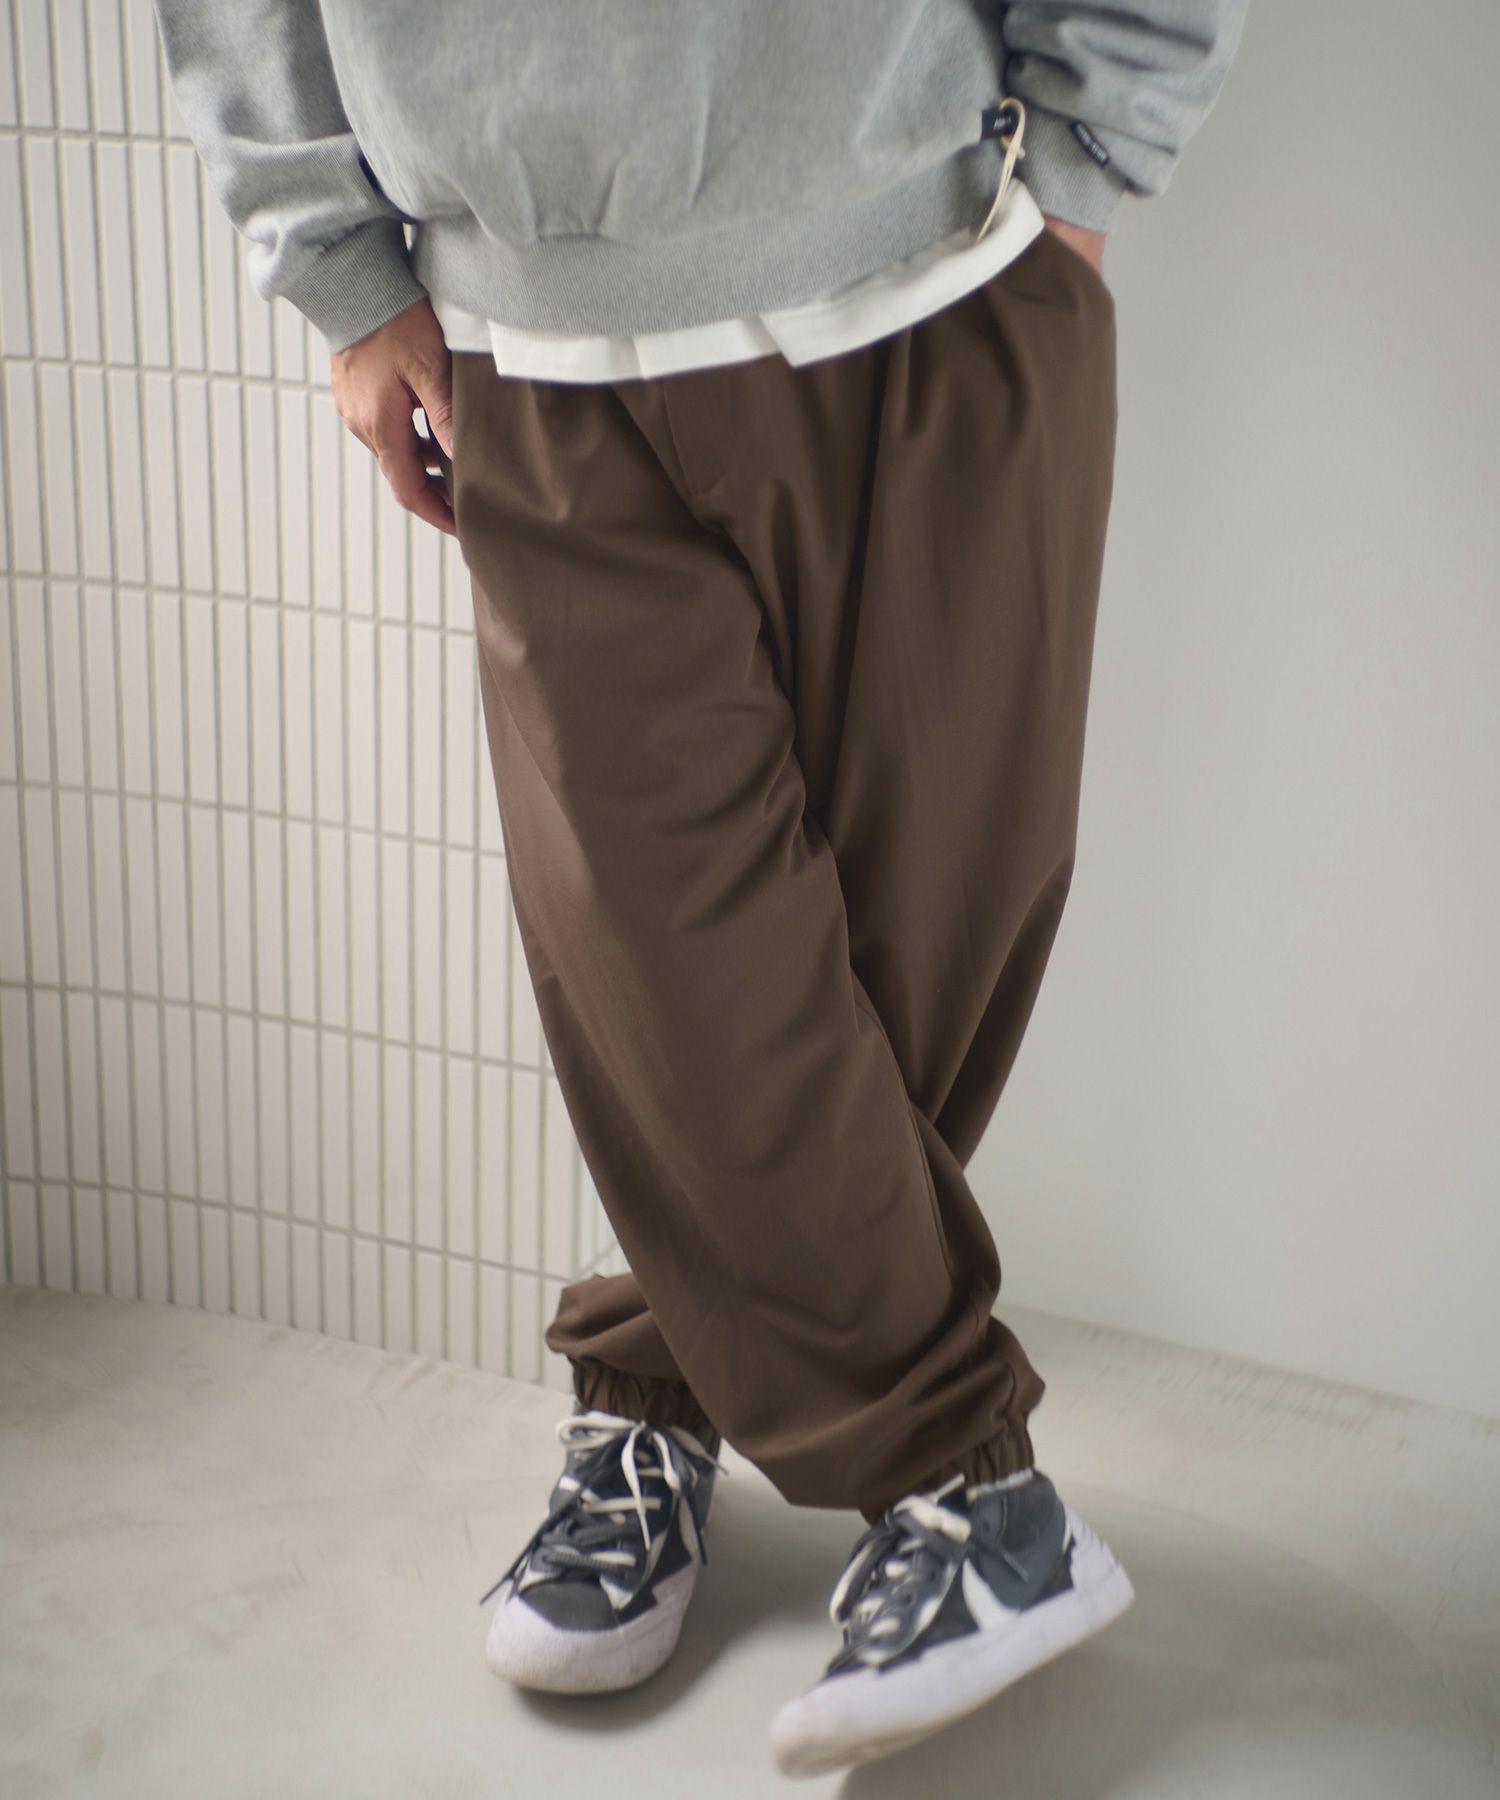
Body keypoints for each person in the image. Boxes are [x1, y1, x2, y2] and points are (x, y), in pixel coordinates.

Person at [152, 0, 1248, 1775]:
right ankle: (967, 1488)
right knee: (668, 956)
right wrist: (339, 267)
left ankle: (662, 1381)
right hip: (527, 338)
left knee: (919, 942)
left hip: (936, 265)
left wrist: (1094, 144)